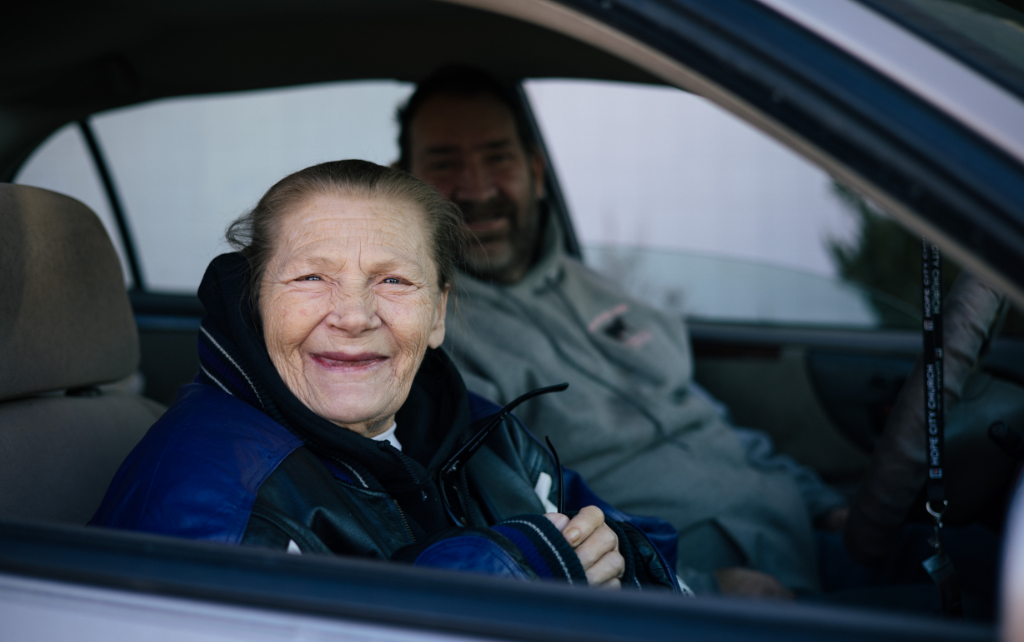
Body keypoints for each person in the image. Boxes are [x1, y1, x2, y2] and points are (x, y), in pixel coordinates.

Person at [91, 160, 680, 592]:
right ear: (256, 305)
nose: (353, 316)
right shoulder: (224, 505)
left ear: (438, 314)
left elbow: (627, 540)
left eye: (393, 280)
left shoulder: (471, 425)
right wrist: (510, 576)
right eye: (310, 279)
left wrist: (615, 558)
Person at [397, 65, 850, 597]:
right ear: (406, 187)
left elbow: (701, 414)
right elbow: (512, 519)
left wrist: (830, 509)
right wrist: (693, 586)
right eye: (445, 163)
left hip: (798, 534)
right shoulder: (430, 335)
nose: (475, 187)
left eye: (498, 156)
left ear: (536, 172)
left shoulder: (601, 287)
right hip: (706, 585)